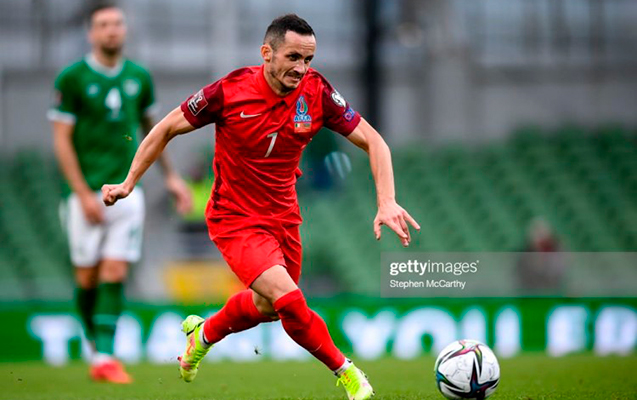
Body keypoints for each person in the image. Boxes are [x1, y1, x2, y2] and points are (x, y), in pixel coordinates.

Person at [102, 14, 419, 399]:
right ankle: (348, 373)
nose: (301, 68)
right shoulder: (229, 91)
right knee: (290, 300)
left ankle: (203, 334)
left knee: (269, 307)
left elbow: (374, 141)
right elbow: (166, 127)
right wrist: (129, 182)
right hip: (235, 218)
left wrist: (387, 200)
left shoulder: (317, 93)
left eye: (308, 59)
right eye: (293, 57)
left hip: (284, 217)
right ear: (266, 53)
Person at [48, 3, 192, 384]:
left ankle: (105, 358)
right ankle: (97, 347)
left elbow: (153, 133)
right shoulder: (72, 78)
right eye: (103, 24)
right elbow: (61, 141)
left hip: (128, 191)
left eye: (117, 23)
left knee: (115, 270)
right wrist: (81, 193)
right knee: (87, 279)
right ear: (90, 33)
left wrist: (172, 177)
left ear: (124, 30)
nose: (111, 30)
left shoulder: (139, 78)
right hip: (84, 193)